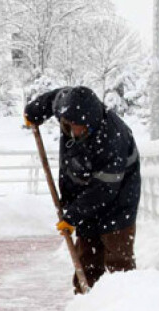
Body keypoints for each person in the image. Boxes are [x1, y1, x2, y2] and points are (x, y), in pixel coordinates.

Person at [24, 86, 141, 293]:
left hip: (119, 199)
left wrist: (73, 216)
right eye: (68, 124)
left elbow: (105, 189)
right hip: (83, 193)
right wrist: (34, 112)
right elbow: (53, 100)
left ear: (90, 123)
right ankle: (85, 304)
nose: (71, 130)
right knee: (87, 256)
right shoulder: (68, 109)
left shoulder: (113, 137)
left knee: (117, 257)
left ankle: (124, 305)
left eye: (77, 126)